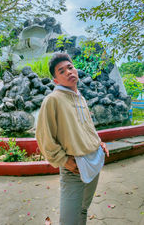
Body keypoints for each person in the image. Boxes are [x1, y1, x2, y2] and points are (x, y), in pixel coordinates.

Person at [36, 53, 109, 225]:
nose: (68, 72)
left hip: (94, 160)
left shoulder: (80, 97)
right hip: (73, 168)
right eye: (61, 71)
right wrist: (63, 160)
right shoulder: (52, 100)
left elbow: (87, 127)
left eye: (70, 67)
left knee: (83, 209)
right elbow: (44, 137)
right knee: (68, 220)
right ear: (56, 80)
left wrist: (99, 143)